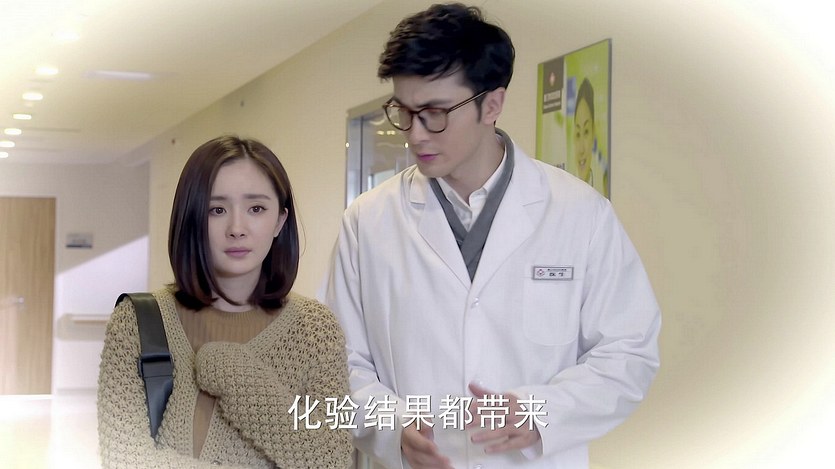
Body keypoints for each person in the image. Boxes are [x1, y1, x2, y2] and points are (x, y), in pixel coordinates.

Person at [322, 3, 660, 468]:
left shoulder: (581, 214)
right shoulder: (367, 222)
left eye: (434, 113)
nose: (415, 135)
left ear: (492, 104)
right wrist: (392, 428)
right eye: (404, 112)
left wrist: (543, 412)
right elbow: (338, 361)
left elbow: (628, 352)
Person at [98, 136, 353, 468]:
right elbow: (124, 459)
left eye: (256, 209)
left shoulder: (316, 330)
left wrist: (239, 377)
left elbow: (331, 459)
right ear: (192, 219)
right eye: (216, 210)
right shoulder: (136, 321)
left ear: (279, 221)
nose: (237, 228)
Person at [572, 77, 609, 198]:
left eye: (586, 132)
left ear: (594, 133)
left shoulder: (603, 186)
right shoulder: (563, 189)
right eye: (578, 134)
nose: (581, 149)